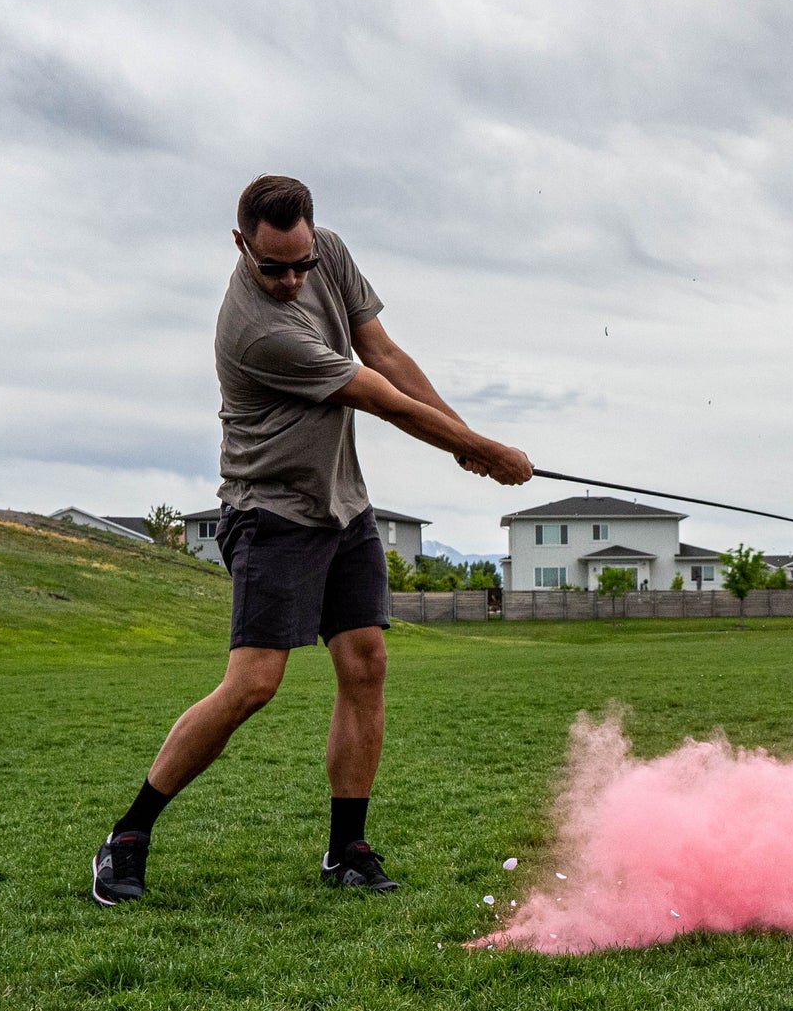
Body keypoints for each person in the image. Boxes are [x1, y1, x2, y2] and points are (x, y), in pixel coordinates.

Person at [91, 175, 532, 906]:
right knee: (253, 684)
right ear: (241, 245)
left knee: (366, 662)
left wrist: (465, 442)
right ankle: (127, 836)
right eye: (275, 267)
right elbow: (374, 394)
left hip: (343, 507)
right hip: (271, 512)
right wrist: (480, 447)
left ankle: (346, 847)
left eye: (301, 263)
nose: (293, 278)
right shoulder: (257, 328)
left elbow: (384, 352)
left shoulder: (327, 253)